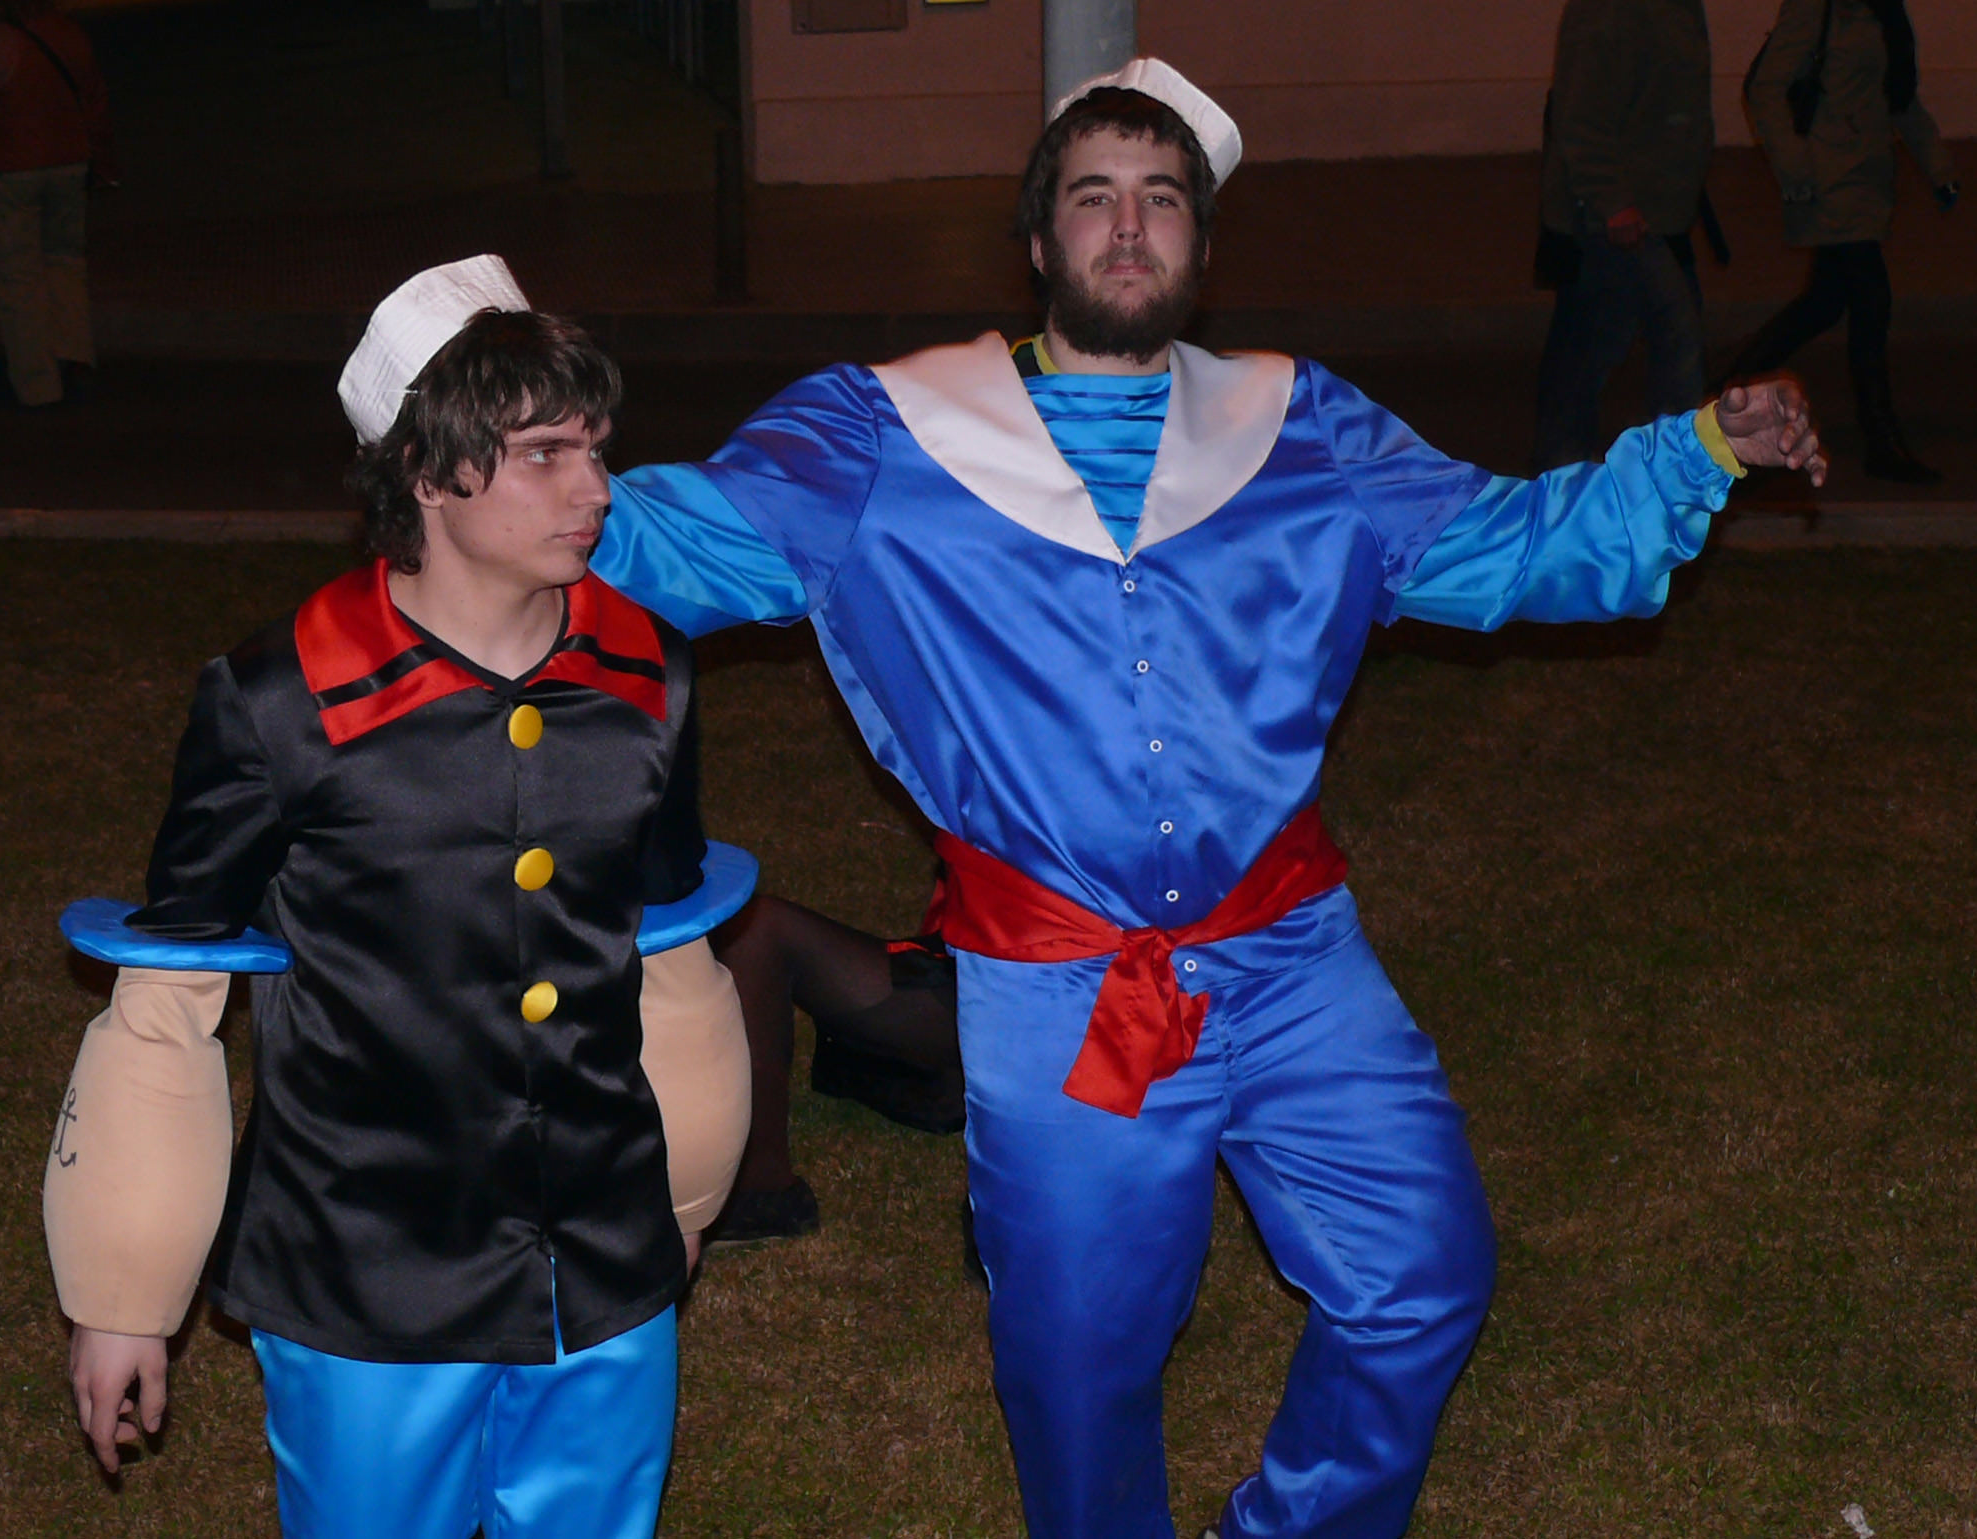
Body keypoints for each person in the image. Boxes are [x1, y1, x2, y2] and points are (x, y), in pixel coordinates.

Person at [589, 58, 1825, 1539]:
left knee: (1423, 1273)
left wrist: (1702, 448)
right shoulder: (880, 439)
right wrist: (495, 465)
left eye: (1162, 198)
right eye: (1093, 197)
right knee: (1080, 1367)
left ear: (1203, 242)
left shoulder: (1307, 433)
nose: (1129, 226)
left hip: (1296, 956)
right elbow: (645, 539)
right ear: (1037, 241)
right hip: (1061, 990)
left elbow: (1513, 544)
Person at [43, 257, 732, 1539]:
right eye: (544, 455)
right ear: (425, 470)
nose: (595, 489)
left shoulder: (649, 679)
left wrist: (680, 1201)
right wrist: (124, 1295)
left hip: (600, 1263)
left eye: (596, 448)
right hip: (365, 1276)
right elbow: (172, 988)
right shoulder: (279, 701)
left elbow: (669, 950)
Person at [1732, 0, 1958, 483]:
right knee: (1872, 300)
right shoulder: (1816, 9)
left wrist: (1938, 168)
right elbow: (1765, 87)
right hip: (1829, 182)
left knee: (1823, 304)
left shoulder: (1884, 11)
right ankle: (1881, 439)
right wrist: (1795, 166)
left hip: (1868, 180)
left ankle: (1725, 387)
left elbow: (1899, 97)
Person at [706, 895, 961, 1244]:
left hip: (1010, 988)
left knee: (757, 928)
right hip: (966, 954)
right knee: (750, 922)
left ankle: (761, 1188)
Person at [1532, 0, 1716, 471]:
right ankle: (1574, 471)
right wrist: (1611, 200)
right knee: (1661, 341)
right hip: (1618, 219)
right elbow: (1579, 115)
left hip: (1658, 212)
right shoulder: (1607, 11)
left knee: (1601, 345)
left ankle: (1648, 472)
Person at [0, 0, 117, 407]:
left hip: (14, 166)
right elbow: (95, 100)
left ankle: (38, 384)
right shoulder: (69, 33)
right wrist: (101, 160)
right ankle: (73, 353)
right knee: (66, 259)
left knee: (17, 274)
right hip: (70, 161)